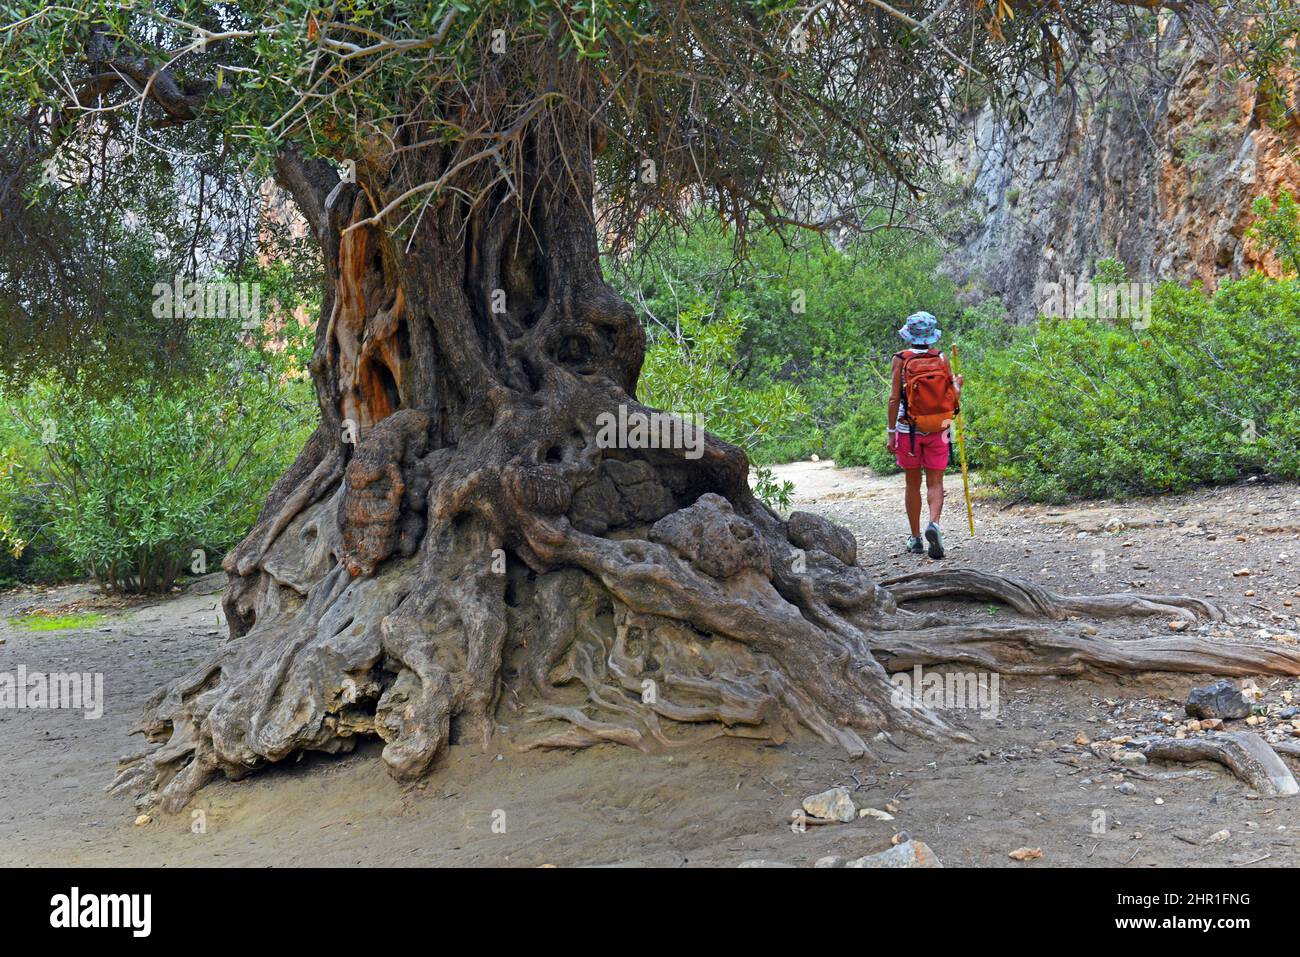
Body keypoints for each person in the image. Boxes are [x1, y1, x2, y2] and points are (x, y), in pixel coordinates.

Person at [886, 312, 962, 559]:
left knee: (912, 483)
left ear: (909, 335)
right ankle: (935, 524)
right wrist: (958, 385)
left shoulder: (901, 359)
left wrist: (891, 433)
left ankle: (916, 539)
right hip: (940, 428)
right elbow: (951, 396)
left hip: (908, 432)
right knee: (936, 482)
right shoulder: (941, 357)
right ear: (931, 336)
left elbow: (894, 398)